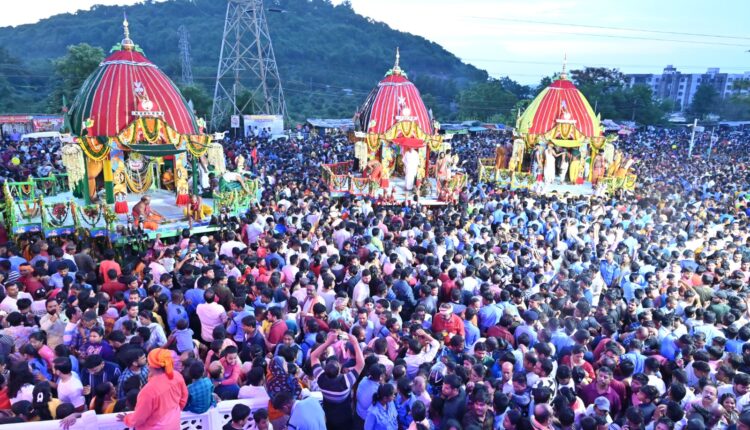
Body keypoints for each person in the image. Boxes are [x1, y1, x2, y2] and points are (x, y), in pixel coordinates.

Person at [120, 348, 188, 429]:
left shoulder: (148, 391)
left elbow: (138, 419)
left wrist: (126, 418)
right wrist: (174, 413)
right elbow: (183, 398)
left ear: (150, 366)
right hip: (174, 424)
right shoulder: (177, 375)